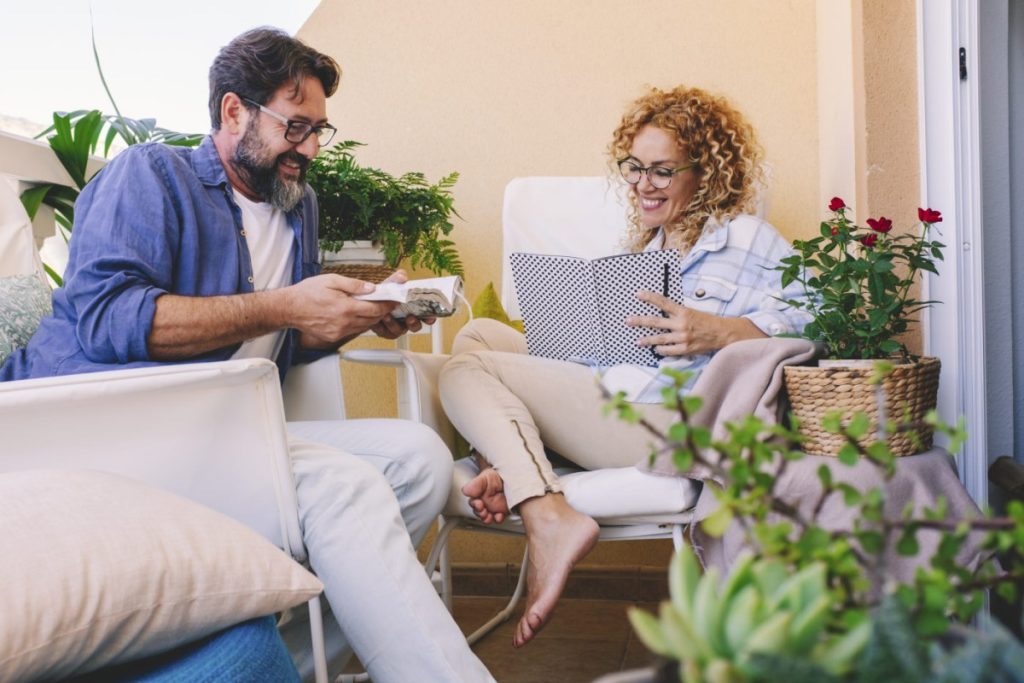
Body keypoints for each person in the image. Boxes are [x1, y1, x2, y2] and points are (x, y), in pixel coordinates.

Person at [0, 27, 493, 683]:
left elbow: (288, 335)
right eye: (296, 127)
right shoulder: (151, 175)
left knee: (420, 461)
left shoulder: (298, 205)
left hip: (220, 436)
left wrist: (363, 316)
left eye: (321, 128)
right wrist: (286, 304)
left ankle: (289, 665)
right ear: (234, 111)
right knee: (342, 484)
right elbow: (108, 320)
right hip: (106, 437)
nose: (311, 147)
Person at [438, 85, 813, 648]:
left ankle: (545, 513)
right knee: (478, 335)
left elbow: (818, 322)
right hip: (611, 400)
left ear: (704, 172)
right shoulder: (641, 256)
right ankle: (510, 461)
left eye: (663, 171)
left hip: (669, 420)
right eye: (634, 168)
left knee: (461, 373)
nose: (643, 184)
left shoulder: (747, 239)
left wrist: (719, 331)